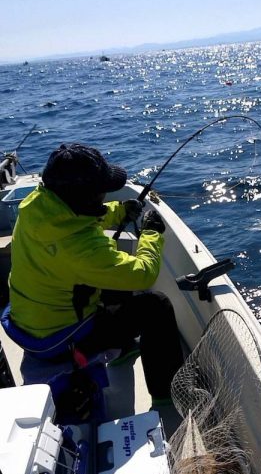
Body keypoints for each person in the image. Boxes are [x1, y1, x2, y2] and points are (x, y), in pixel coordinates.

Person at [5, 143, 183, 402]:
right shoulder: (79, 247)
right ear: (87, 197)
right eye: (101, 191)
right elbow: (143, 274)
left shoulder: (38, 205)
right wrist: (151, 235)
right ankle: (167, 393)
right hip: (60, 339)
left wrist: (120, 211)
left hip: (30, 322)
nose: (104, 195)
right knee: (156, 306)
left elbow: (78, 216)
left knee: (109, 269)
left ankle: (120, 349)